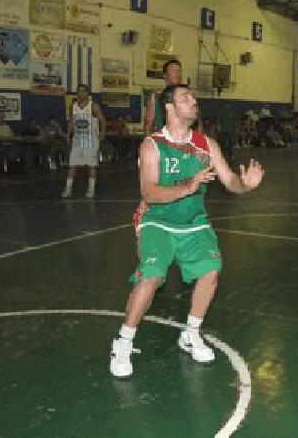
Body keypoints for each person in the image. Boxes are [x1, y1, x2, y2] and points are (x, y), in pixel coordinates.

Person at [109, 83, 264, 377]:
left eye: (193, 98)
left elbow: (231, 181)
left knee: (211, 270)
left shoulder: (207, 145)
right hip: (156, 220)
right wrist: (187, 186)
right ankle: (123, 341)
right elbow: (149, 193)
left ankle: (191, 333)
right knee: (152, 275)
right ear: (169, 107)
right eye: (186, 98)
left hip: (193, 222)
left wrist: (247, 185)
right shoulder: (152, 145)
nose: (194, 102)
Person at [62, 85, 106, 198]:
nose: (81, 93)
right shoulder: (73, 106)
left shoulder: (93, 106)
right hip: (78, 141)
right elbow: (72, 120)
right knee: (72, 165)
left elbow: (102, 120)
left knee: (91, 165)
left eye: (83, 91)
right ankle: (68, 188)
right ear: (77, 93)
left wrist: (103, 132)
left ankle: (91, 189)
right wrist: (68, 134)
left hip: (91, 141)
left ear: (87, 93)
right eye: (79, 92)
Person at [144, 59, 182, 136]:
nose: (177, 73)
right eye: (173, 70)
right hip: (162, 142)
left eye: (179, 70)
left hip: (182, 143)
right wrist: (149, 143)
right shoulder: (155, 97)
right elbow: (148, 124)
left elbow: (198, 124)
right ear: (165, 75)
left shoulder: (188, 97)